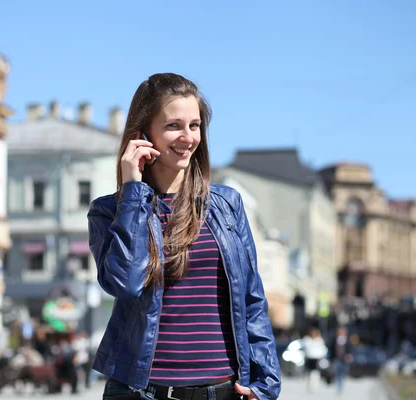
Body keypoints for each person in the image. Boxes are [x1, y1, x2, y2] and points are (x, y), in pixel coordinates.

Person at [88, 73, 281, 400]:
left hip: (222, 391)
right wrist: (133, 192)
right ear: (143, 132)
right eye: (174, 125)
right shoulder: (111, 211)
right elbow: (125, 283)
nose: (188, 137)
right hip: (141, 392)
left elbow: (251, 298)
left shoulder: (226, 205)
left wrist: (266, 383)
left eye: (195, 125)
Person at [328, 326, 353, 395]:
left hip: (344, 360)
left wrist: (349, 356)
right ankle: (338, 388)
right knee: (337, 373)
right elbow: (331, 349)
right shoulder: (334, 339)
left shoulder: (347, 340)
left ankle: (341, 387)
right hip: (336, 359)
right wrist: (331, 359)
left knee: (342, 374)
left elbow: (350, 349)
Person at [302, 328, 327, 393]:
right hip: (310, 358)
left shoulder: (320, 340)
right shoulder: (307, 340)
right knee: (309, 373)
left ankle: (315, 386)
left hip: (317, 359)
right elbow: (306, 348)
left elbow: (323, 349)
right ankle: (309, 386)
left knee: (316, 373)